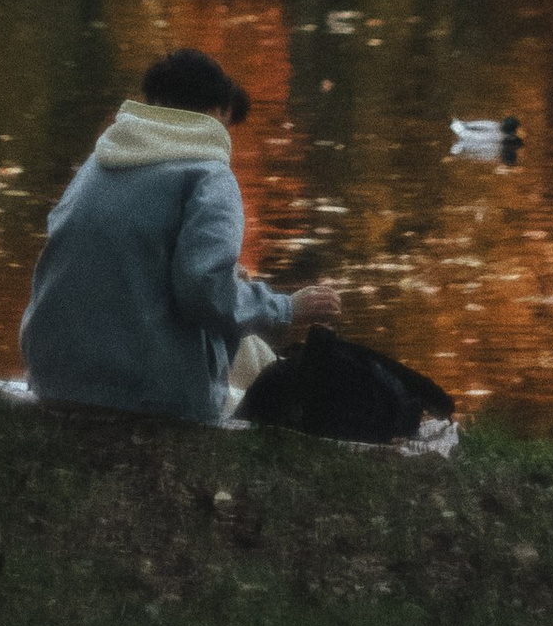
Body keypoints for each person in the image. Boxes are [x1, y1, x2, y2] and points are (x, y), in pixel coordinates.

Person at [19, 46, 344, 425]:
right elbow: (205, 295)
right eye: (228, 123)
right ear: (219, 110)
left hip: (53, 376)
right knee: (257, 362)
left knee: (242, 350)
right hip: (144, 392)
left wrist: (223, 279)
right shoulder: (209, 175)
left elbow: (104, 256)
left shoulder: (99, 162)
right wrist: (288, 308)